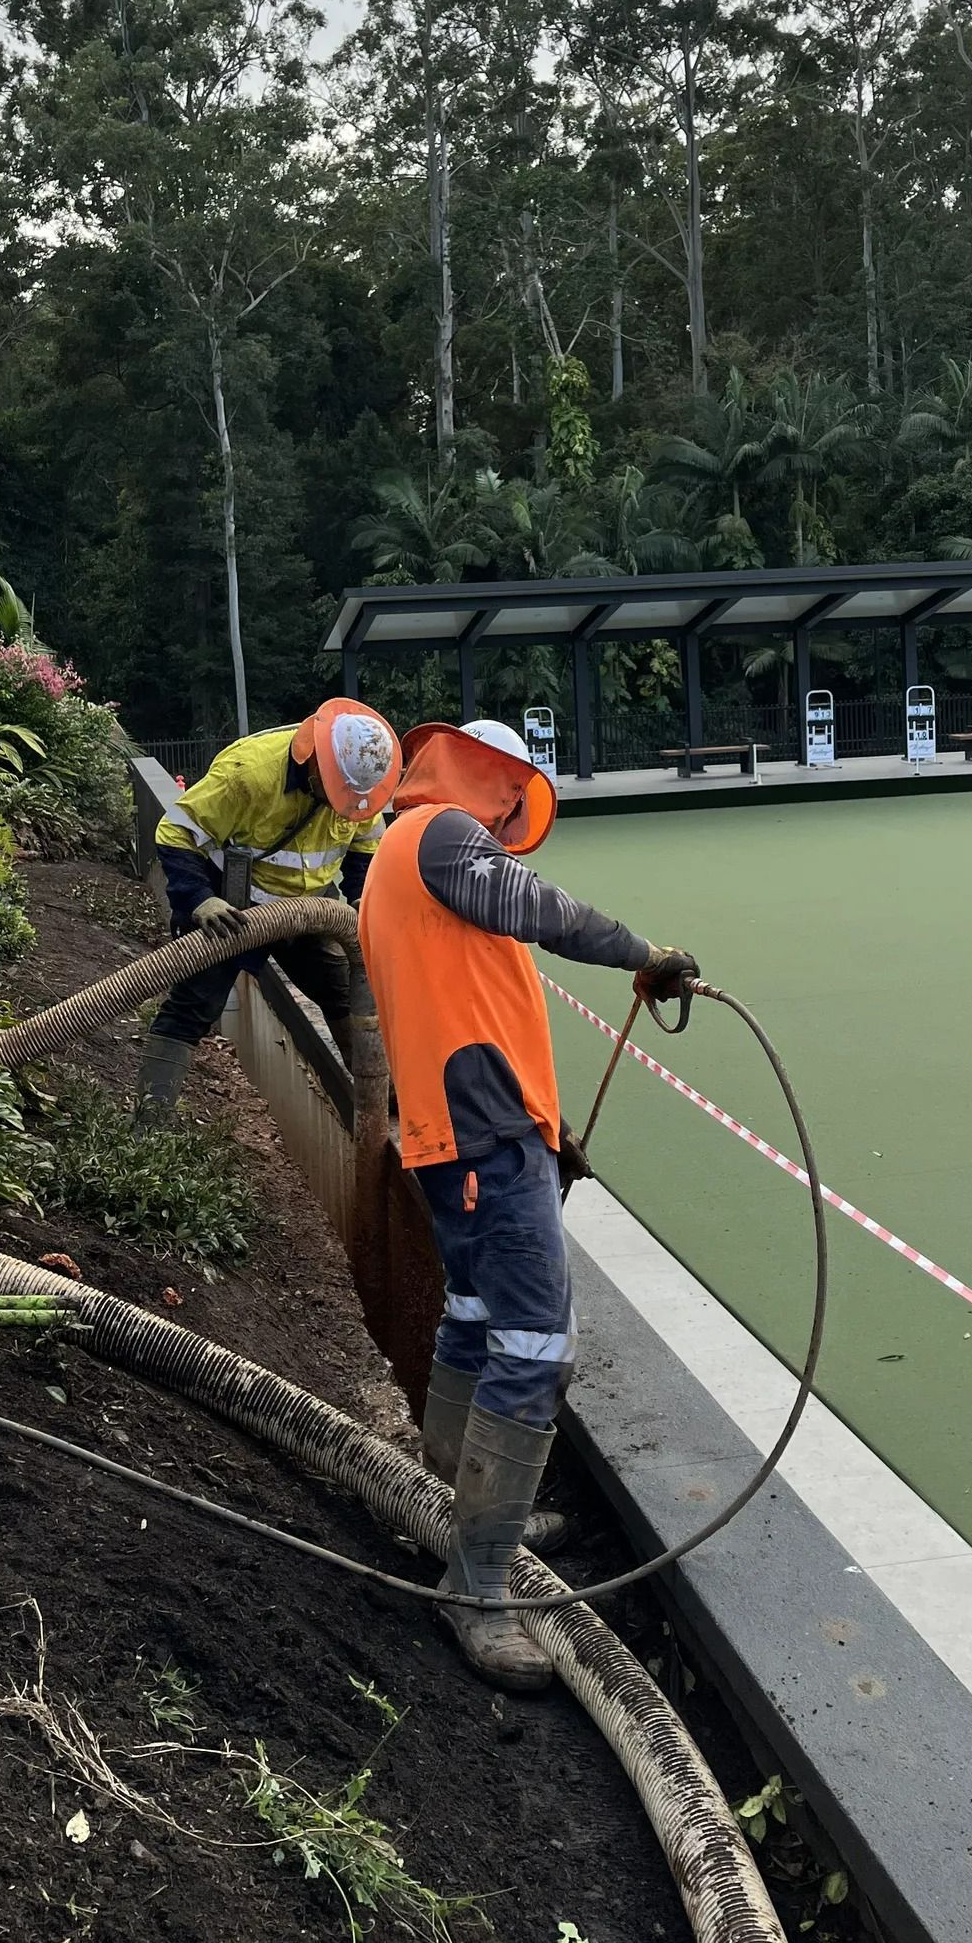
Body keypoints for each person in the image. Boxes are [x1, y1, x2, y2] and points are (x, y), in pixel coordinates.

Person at [358, 717, 696, 1692]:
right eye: (512, 800)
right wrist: (644, 952)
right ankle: (478, 1581)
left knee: (474, 1316)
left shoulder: (400, 856)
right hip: (483, 1141)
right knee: (539, 1344)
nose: (510, 822)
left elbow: (474, 996)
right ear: (492, 777)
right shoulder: (440, 836)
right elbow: (538, 905)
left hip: (467, 1136)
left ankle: (466, 1508)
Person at [144, 699, 403, 1111]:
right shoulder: (249, 774)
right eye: (341, 790)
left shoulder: (361, 789)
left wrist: (361, 900)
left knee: (346, 992)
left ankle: (388, 1105)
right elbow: (175, 834)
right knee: (193, 1007)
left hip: (309, 906)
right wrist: (200, 900)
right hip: (232, 908)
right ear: (316, 762)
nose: (349, 802)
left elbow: (365, 852)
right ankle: (149, 1119)